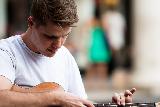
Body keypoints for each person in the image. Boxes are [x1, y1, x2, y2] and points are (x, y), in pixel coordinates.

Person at [0, 0, 135, 107]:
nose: (58, 45)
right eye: (51, 37)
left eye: (65, 36)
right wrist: (54, 98)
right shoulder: (7, 51)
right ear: (31, 23)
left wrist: (113, 104)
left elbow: (78, 102)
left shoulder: (64, 55)